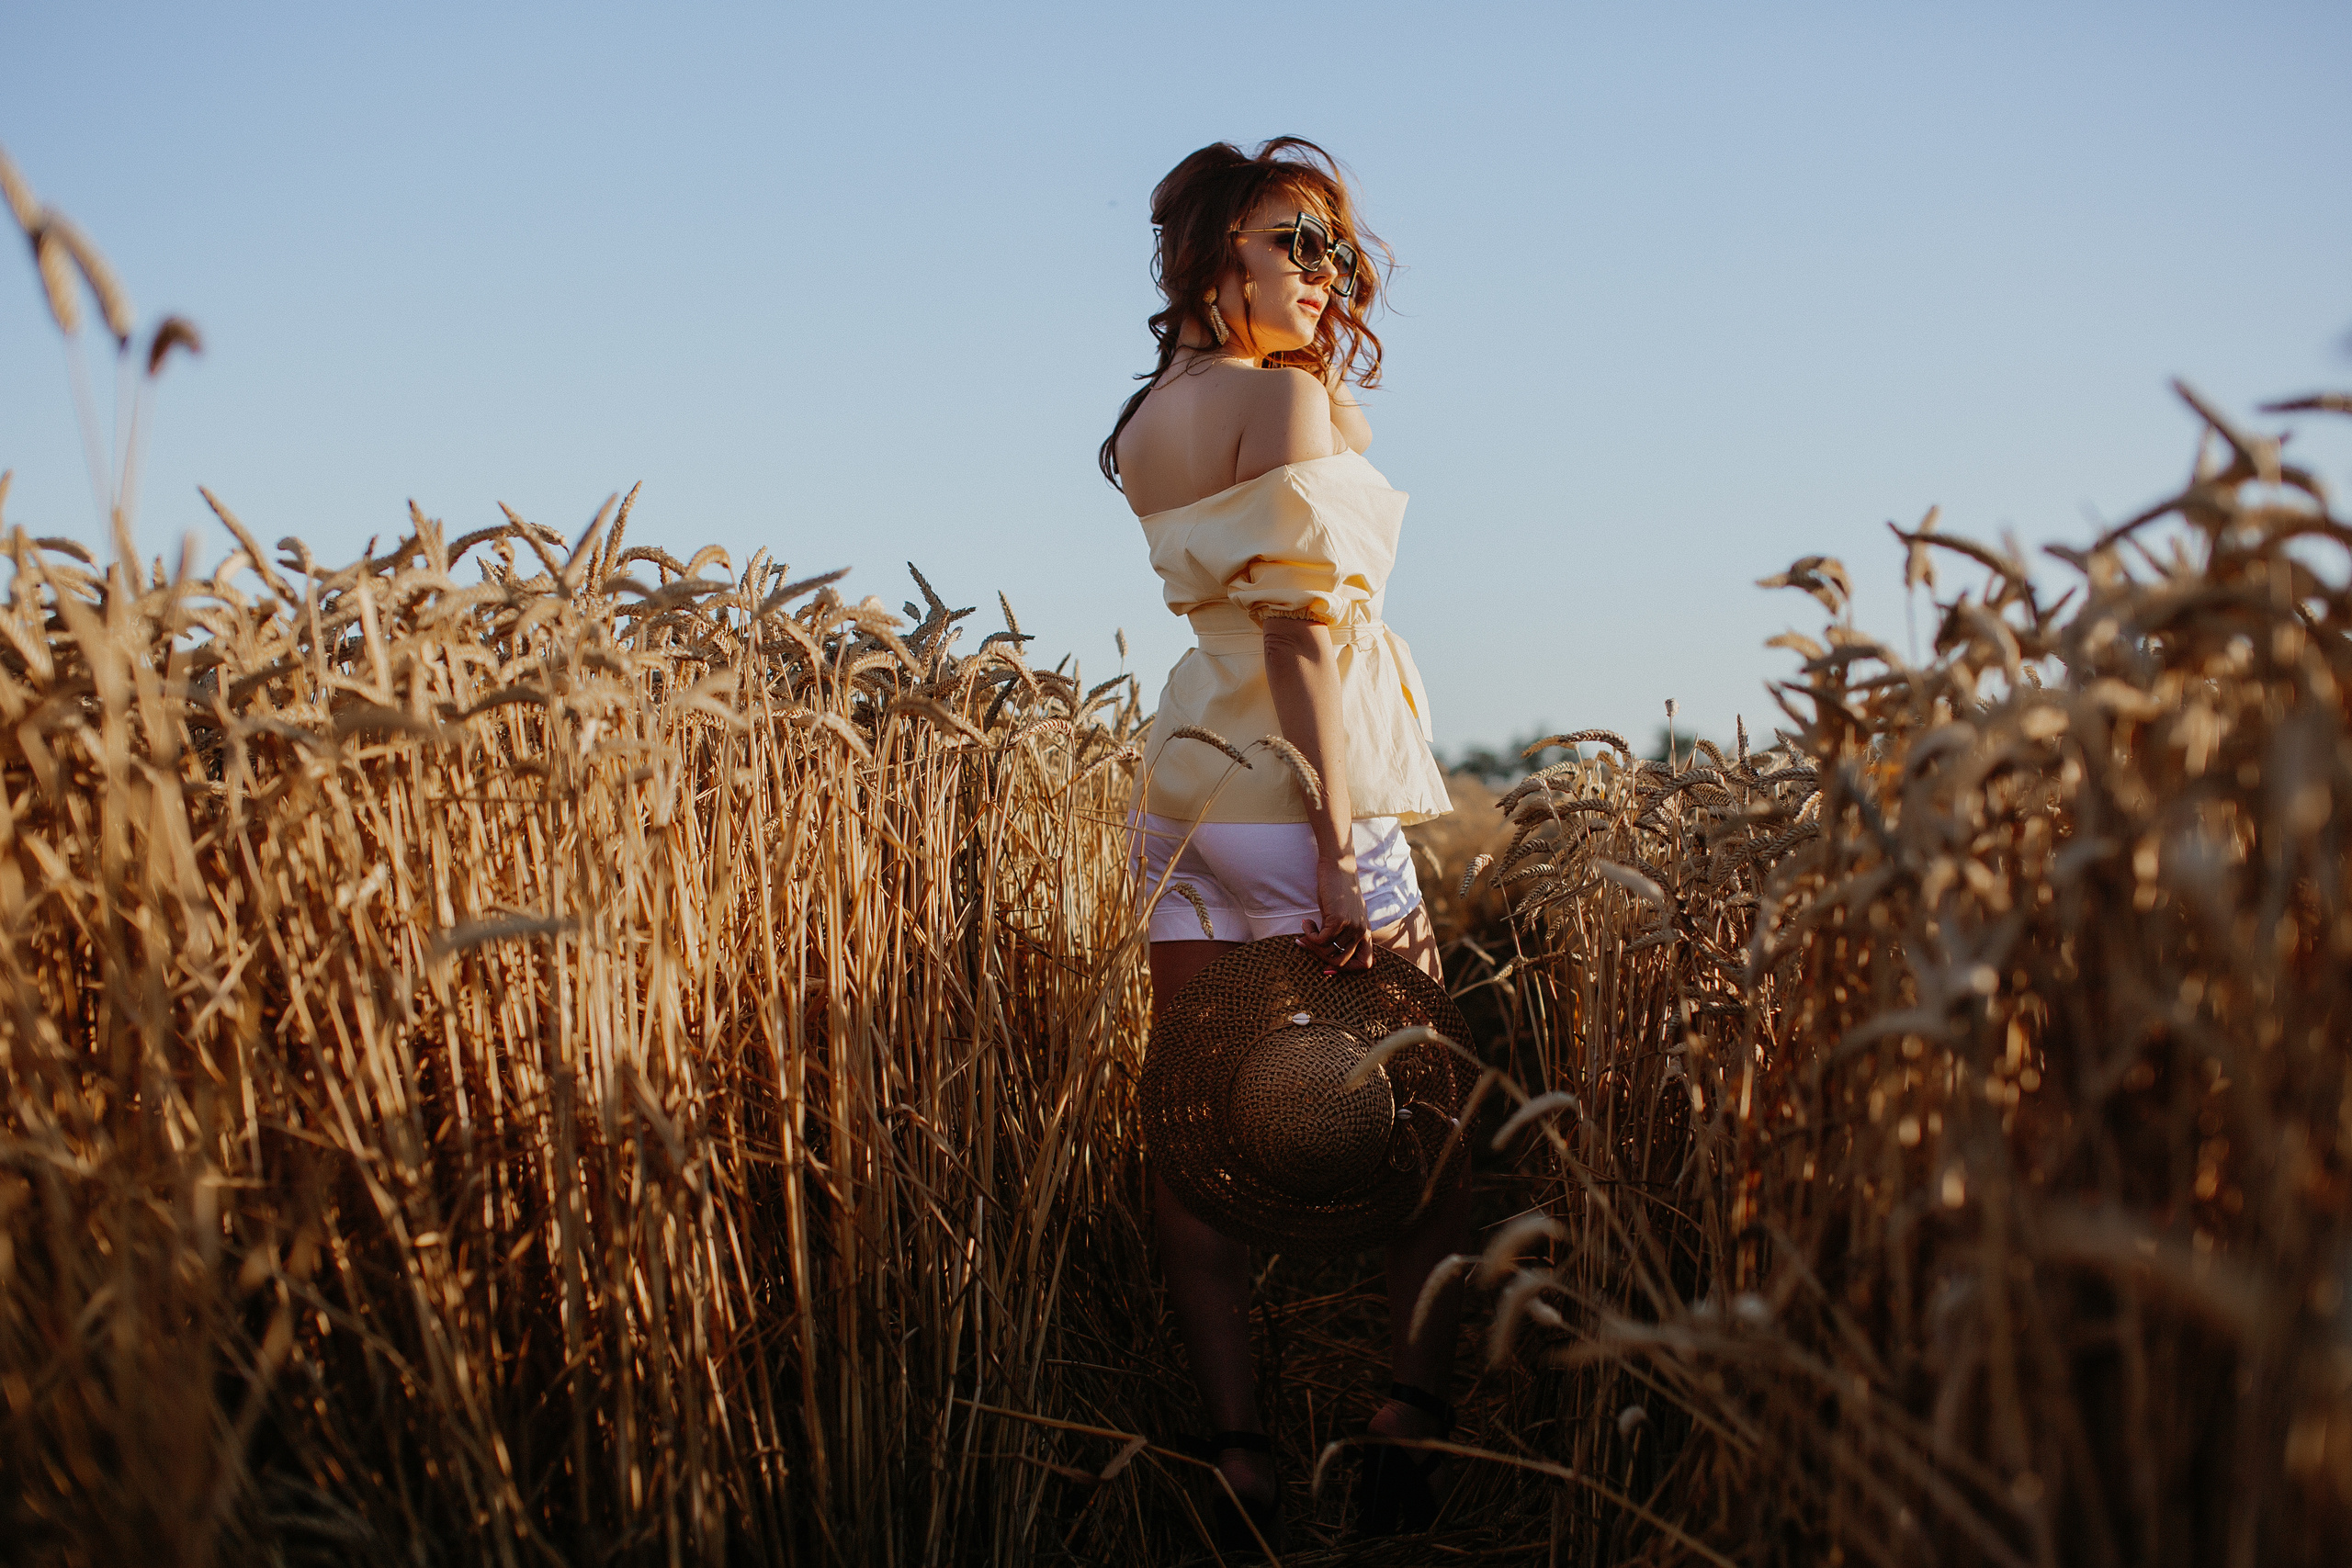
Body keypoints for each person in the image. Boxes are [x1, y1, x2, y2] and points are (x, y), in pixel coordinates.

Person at [1104, 137, 1473, 1542]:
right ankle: (1404, 1426)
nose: (1327, 276)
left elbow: (1237, 610)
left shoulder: (1155, 415)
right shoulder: (1283, 403)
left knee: (1194, 1119)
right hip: (1309, 797)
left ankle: (1239, 1453)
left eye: (1332, 248)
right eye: (1293, 244)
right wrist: (1336, 855)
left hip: (1188, 792)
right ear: (1216, 258)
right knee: (1432, 1119)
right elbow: (1303, 637)